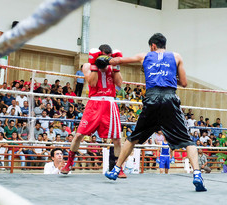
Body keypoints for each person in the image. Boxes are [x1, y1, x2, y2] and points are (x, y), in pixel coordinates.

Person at [105, 33, 207, 191]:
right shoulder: (176, 56)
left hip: (152, 100)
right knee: (187, 140)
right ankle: (197, 174)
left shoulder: (144, 56)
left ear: (152, 45)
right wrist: (170, 77)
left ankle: (116, 170)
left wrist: (101, 59)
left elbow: (116, 61)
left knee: (133, 138)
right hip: (170, 99)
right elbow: (184, 83)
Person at [61, 44, 126, 178]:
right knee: (79, 135)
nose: (105, 60)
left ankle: (117, 168)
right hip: (94, 103)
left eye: (108, 58)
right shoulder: (87, 66)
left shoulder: (111, 67)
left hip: (109, 102)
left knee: (117, 139)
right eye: (103, 57)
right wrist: (95, 66)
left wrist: (116, 67)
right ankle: (69, 163)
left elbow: (119, 83)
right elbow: (92, 83)